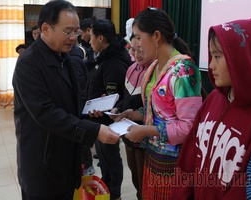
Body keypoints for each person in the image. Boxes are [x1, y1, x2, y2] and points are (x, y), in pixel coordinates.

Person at [12, 1, 120, 200]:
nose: (74, 37)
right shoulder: (29, 63)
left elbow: (72, 102)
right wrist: (94, 131)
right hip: (42, 165)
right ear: (45, 28)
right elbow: (47, 114)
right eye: (68, 31)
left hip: (67, 159)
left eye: (77, 31)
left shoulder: (65, 58)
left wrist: (90, 111)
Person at [170, 16, 251, 199]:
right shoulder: (214, 99)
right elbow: (189, 156)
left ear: (243, 60)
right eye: (211, 56)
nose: (211, 65)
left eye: (217, 56)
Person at [113, 7, 203, 200]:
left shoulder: (183, 70)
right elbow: (159, 111)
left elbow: (189, 127)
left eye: (137, 37)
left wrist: (146, 131)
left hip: (174, 162)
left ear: (156, 36)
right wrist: (134, 114)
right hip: (153, 156)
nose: (134, 43)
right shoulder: (154, 66)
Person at [87, 18, 132, 200]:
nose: (88, 41)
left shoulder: (113, 61)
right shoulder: (103, 56)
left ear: (100, 38)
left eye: (91, 37)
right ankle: (106, 190)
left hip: (108, 121)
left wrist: (102, 104)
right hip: (99, 120)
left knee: (111, 160)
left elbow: (114, 95)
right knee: (104, 160)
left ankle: (114, 195)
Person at [110, 34, 154, 200]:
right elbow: (125, 97)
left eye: (141, 50)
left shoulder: (155, 72)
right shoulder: (131, 68)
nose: (136, 54)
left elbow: (153, 108)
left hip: (145, 136)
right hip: (128, 133)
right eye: (133, 50)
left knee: (145, 183)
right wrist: (117, 108)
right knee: (135, 177)